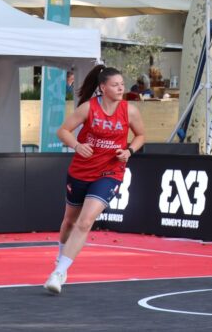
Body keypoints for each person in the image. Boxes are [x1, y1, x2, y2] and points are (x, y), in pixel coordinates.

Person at [44, 66, 146, 294]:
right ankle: (61, 257)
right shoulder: (88, 108)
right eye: (115, 84)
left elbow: (141, 135)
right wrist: (78, 146)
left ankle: (59, 273)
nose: (120, 88)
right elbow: (63, 131)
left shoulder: (129, 111)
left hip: (110, 172)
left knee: (86, 221)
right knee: (70, 220)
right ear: (102, 87)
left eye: (122, 83)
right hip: (81, 171)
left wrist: (129, 151)